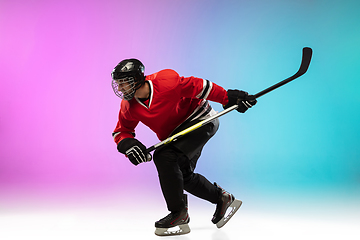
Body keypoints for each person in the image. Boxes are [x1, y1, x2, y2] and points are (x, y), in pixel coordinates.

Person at [111, 59, 257, 236]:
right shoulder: (129, 106)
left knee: (164, 157)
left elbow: (201, 86)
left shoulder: (166, 82)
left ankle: (178, 213)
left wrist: (228, 98)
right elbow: (121, 131)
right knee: (181, 175)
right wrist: (128, 145)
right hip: (175, 134)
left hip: (200, 120)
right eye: (118, 83)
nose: (120, 87)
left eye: (124, 82)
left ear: (137, 78)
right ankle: (222, 199)